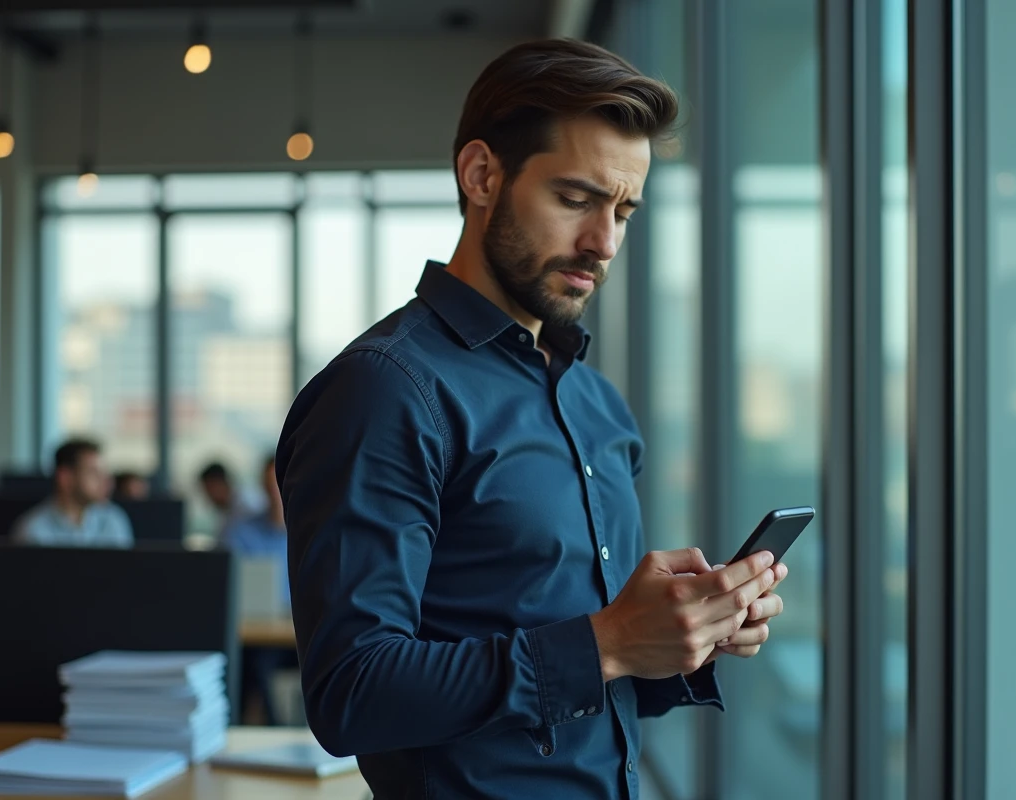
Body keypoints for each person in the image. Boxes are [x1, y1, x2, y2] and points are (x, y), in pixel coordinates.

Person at [276, 39, 788, 798]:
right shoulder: (383, 391)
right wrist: (608, 642)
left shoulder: (599, 407)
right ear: (482, 175)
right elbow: (353, 692)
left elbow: (587, 686)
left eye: (623, 210)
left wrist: (684, 638)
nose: (604, 242)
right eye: (576, 199)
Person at [225, 455, 294, 725]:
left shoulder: (319, 530)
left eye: (281, 485)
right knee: (258, 662)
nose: (276, 494)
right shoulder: (241, 531)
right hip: (259, 637)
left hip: (304, 637)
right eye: (270, 486)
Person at [13, 438, 133, 548]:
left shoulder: (114, 520)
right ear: (65, 478)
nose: (106, 482)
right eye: (93, 473)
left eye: (104, 473)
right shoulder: (33, 530)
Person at [198, 461, 259, 543]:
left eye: (208, 489)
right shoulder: (225, 512)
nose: (208, 496)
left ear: (218, 484)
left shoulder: (246, 506)